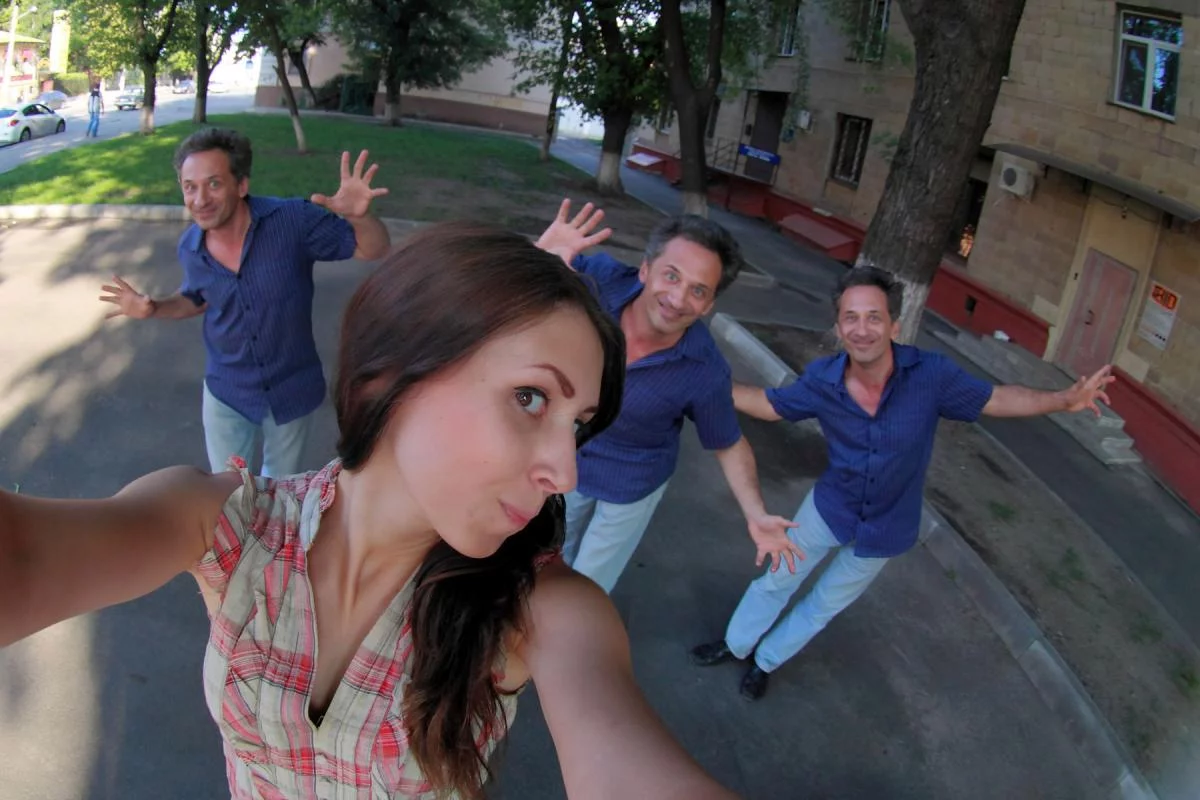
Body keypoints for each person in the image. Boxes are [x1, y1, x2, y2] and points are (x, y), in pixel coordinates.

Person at [1, 223, 738, 800]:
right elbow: (23, 560)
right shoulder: (228, 526)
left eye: (578, 425)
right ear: (391, 374)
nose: (566, 470)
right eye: (530, 397)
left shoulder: (540, 609)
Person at [691, 265, 1115, 700]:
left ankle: (766, 661)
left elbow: (996, 399)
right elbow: (769, 404)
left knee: (823, 604)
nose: (862, 329)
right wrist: (707, 382)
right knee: (777, 580)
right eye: (851, 318)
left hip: (887, 528)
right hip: (829, 508)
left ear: (894, 325)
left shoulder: (931, 376)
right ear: (838, 327)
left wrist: (1063, 400)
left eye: (873, 317)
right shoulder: (823, 379)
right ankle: (736, 643)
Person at [535, 201, 803, 594]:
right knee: (545, 551)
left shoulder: (704, 369)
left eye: (698, 290)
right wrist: (540, 255)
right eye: (672, 276)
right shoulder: (599, 282)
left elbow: (728, 443)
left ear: (708, 305)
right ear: (645, 269)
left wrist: (756, 513)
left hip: (632, 483)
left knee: (587, 585)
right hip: (568, 457)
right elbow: (526, 285)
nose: (678, 299)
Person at [99, 128, 392, 478]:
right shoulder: (190, 248)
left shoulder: (291, 222)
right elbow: (197, 300)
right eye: (190, 187)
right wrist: (154, 308)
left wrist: (359, 217)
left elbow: (372, 248)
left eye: (214, 184)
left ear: (241, 185)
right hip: (227, 392)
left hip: (291, 389)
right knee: (230, 491)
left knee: (280, 490)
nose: (200, 200)